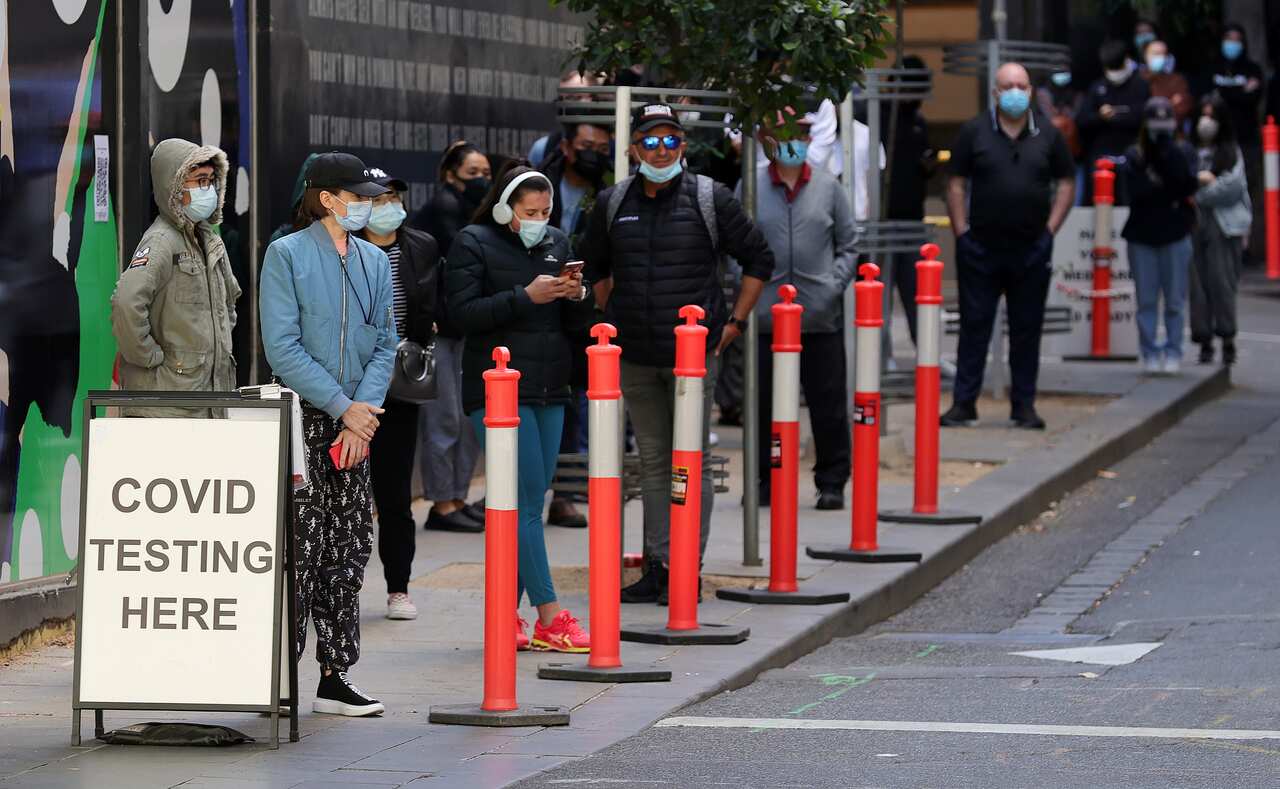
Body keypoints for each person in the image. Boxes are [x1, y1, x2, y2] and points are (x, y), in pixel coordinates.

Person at [580, 103, 775, 603]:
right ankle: (659, 566)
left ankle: (688, 566)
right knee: (651, 461)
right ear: (633, 148)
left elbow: (759, 259)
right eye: (650, 141)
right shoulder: (612, 201)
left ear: (683, 148)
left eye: (670, 141)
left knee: (691, 461)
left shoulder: (711, 198)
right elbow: (596, 267)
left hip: (693, 358)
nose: (660, 150)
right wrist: (616, 314)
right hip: (636, 357)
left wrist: (734, 322)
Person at [260, 152, 397, 716]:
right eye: (357, 195)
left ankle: (336, 674)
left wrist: (363, 413)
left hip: (357, 424)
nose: (366, 205)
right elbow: (282, 347)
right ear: (326, 198)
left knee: (349, 545)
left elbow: (387, 342)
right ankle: (282, 673)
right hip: (305, 416)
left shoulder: (374, 260)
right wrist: (344, 408)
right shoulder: (286, 254)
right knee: (299, 544)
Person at [446, 162, 594, 652]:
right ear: (506, 208)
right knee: (525, 504)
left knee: (531, 501)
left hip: (552, 386)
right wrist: (523, 296)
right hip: (498, 389)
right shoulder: (472, 241)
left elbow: (579, 321)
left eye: (546, 210)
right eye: (529, 211)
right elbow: (461, 313)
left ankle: (505, 614)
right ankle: (550, 614)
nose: (539, 219)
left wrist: (576, 295)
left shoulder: (557, 241)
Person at [943, 62, 1075, 430]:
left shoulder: (1048, 134)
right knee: (974, 327)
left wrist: (1050, 231)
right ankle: (964, 404)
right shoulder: (974, 132)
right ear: (995, 93)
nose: (1016, 91)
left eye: (1022, 85)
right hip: (980, 249)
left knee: (1026, 329)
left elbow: (1066, 182)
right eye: (1008, 85)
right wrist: (961, 232)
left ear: (1031, 91)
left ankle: (1024, 406)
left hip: (1031, 248)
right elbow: (955, 183)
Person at [745, 110, 858, 510]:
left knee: (828, 404)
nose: (795, 141)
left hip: (818, 316)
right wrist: (748, 292)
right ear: (767, 140)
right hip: (766, 317)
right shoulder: (752, 187)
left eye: (802, 134)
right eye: (785, 134)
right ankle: (764, 478)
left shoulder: (829, 188)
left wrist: (832, 286)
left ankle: (832, 480)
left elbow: (849, 245)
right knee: (762, 404)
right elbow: (736, 247)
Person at [358, 167, 440, 620]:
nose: (389, 206)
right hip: (348, 385)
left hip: (400, 383)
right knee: (346, 494)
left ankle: (398, 588)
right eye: (379, 198)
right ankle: (338, 586)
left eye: (394, 196)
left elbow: (431, 304)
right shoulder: (345, 246)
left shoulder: (421, 246)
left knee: (394, 494)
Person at [110, 138, 240, 418]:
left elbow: (228, 303)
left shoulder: (209, 239)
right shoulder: (160, 241)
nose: (209, 189)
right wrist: (149, 357)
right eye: (199, 181)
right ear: (175, 186)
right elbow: (125, 303)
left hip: (206, 403)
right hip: (167, 408)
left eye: (211, 180)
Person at [411, 140, 490, 532]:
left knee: (465, 418)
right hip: (441, 330)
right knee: (443, 420)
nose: (480, 181)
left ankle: (457, 495)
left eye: (485, 174)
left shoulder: (476, 214)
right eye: (472, 173)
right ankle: (442, 502)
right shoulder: (441, 212)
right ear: (450, 174)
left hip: (466, 329)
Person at [540, 121, 613, 528]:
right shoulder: (545, 182)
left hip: (584, 307)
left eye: (601, 147)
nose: (594, 153)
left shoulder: (607, 192)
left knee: (578, 403)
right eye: (587, 145)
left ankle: (566, 493)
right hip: (540, 303)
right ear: (567, 147)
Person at [1120, 97, 1198, 375]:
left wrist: (1169, 155)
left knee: (1175, 299)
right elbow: (1136, 191)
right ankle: (1150, 350)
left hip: (1175, 231)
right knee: (1147, 299)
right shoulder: (1135, 154)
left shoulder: (1183, 150)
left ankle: (1174, 350)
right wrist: (1149, 164)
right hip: (1142, 232)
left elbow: (1186, 185)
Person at [1189, 95, 1249, 366]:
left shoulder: (1231, 151)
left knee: (1221, 281)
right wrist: (1199, 183)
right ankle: (1203, 340)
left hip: (1223, 225)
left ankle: (1227, 338)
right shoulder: (1188, 150)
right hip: (1194, 223)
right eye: (1203, 114)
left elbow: (1232, 188)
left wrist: (1200, 193)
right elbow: (1181, 181)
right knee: (1198, 284)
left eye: (1212, 116)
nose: (1206, 122)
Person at [886, 55, 939, 345]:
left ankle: (926, 355)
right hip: (882, 221)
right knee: (877, 297)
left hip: (911, 221)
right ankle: (879, 357)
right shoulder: (878, 114)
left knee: (917, 296)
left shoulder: (918, 122)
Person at [1210, 24, 1265, 264]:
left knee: (1247, 194)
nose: (1231, 44)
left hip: (1247, 141)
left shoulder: (1252, 68)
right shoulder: (1213, 67)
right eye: (1228, 39)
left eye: (1236, 39)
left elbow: (1251, 99)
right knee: (1217, 190)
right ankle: (1217, 242)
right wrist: (1239, 92)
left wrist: (1225, 93)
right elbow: (1210, 98)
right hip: (1218, 143)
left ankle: (1246, 248)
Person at [1078, 40, 1150, 203]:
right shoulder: (1097, 88)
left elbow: (1142, 117)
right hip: (1101, 156)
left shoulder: (1140, 86)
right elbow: (1082, 120)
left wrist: (1116, 117)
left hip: (1131, 155)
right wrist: (1100, 117)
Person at [1141, 40, 1193, 128]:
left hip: (1172, 130)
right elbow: (1137, 111)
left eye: (1163, 54)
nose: (1160, 57)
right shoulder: (1139, 80)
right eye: (1155, 53)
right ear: (1145, 55)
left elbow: (1184, 107)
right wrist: (1169, 104)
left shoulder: (1176, 79)